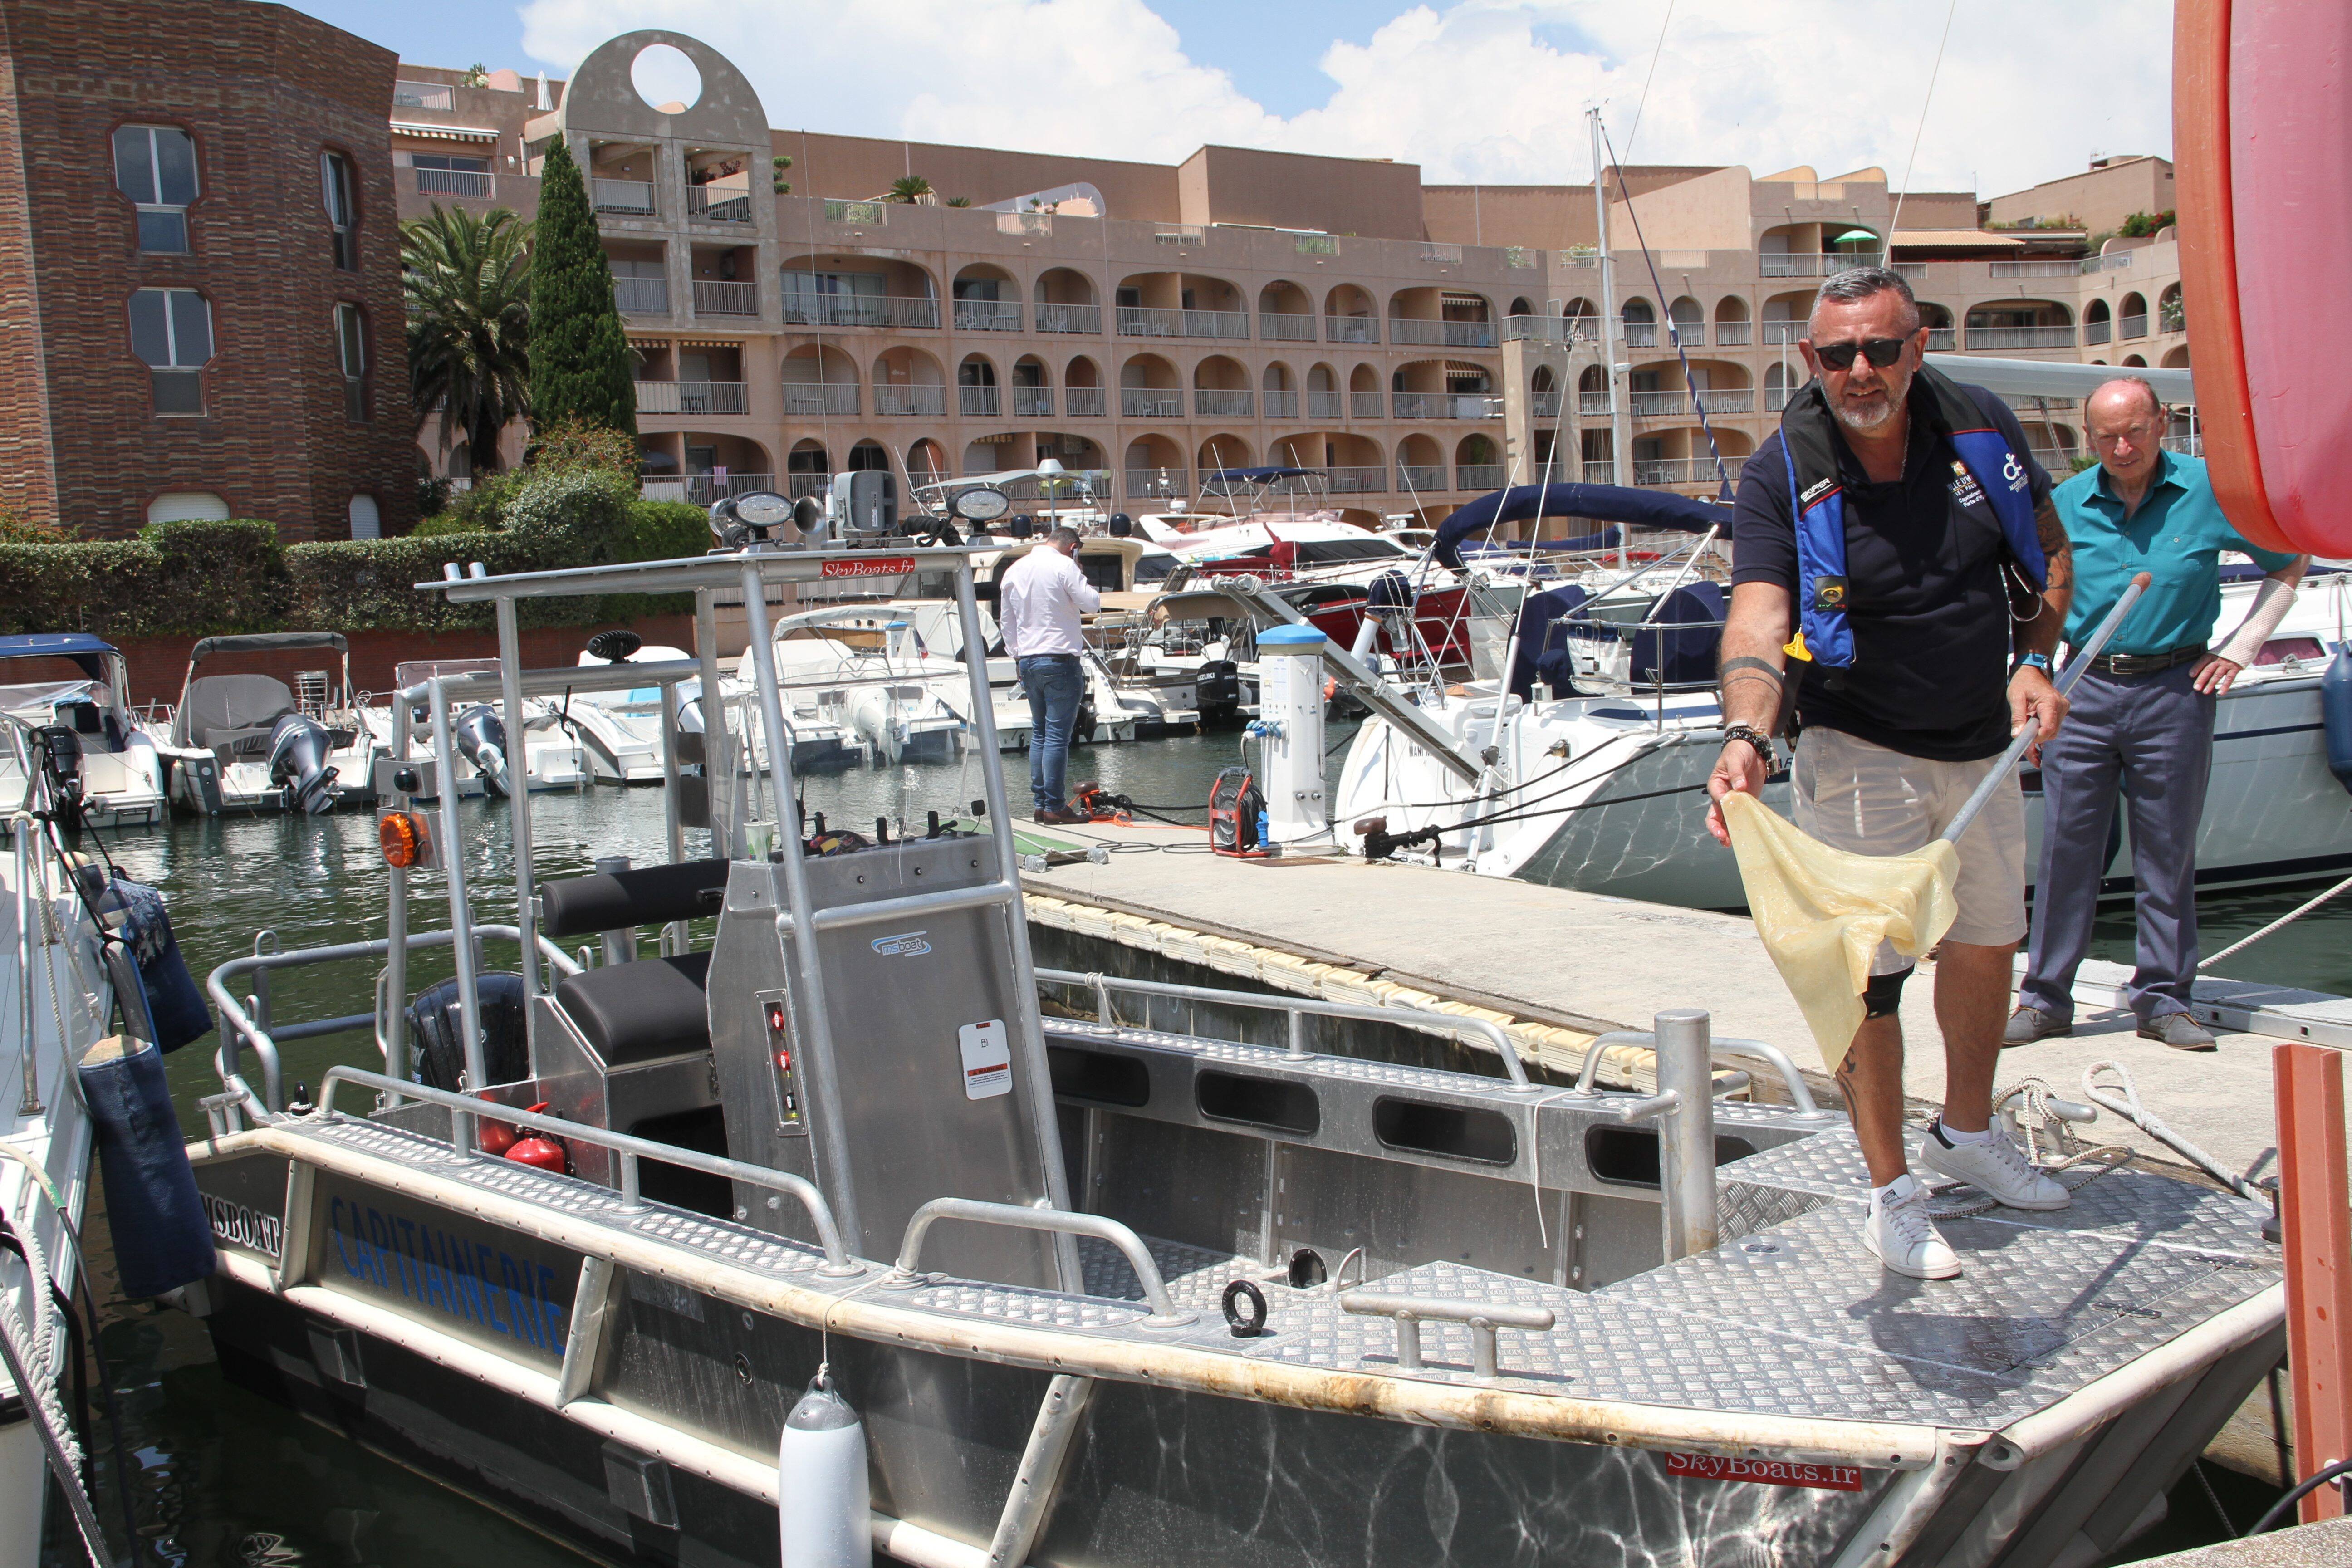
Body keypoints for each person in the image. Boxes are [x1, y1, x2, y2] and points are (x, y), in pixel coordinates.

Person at [1705, 266, 2077, 1280]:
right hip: (1857, 741)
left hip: (1982, 745)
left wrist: (2036, 659)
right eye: (1838, 355)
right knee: (1867, 978)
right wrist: (1746, 734)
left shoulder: (1980, 429)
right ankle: (1890, 1193)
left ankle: (1964, 1133)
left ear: (1918, 346)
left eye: (1880, 348)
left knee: (1987, 942)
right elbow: (1760, 617)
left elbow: (2047, 553)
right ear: (1810, 361)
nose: (1860, 371)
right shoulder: (1783, 469)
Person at [2008, 379, 2308, 1051]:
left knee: (2167, 850)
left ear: (2162, 423)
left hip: (2176, 689)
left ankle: (2166, 999)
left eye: (2136, 432)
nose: (2123, 447)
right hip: (2082, 693)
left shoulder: (2213, 491)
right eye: (2108, 436)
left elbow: (2291, 564)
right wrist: (2030, 675)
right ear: (2087, 439)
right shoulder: (2066, 504)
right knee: (2066, 849)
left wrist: (2243, 647)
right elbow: (2034, 596)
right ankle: (2046, 999)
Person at [998, 526, 1098, 823]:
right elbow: (1092, 603)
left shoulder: (1015, 570)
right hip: (1059, 659)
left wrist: (1018, 654)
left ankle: (1042, 804)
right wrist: (1078, 568)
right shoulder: (1065, 565)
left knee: (1040, 733)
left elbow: (1007, 621)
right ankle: (1055, 806)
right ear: (1073, 547)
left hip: (1028, 661)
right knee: (1056, 737)